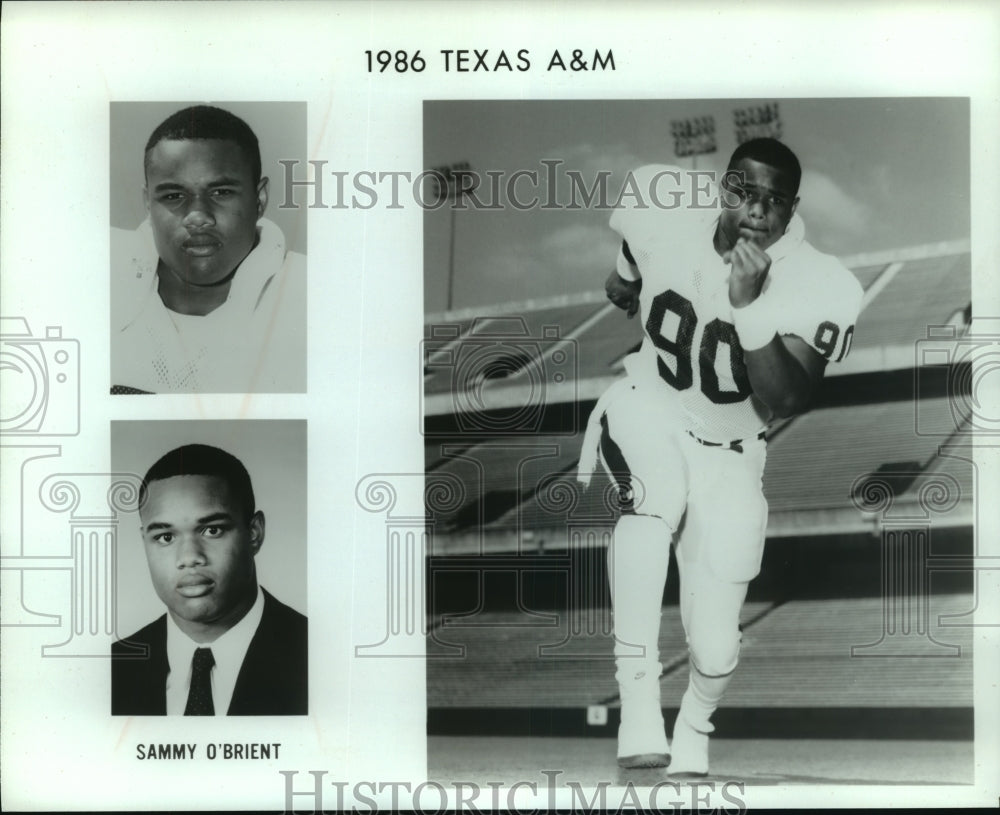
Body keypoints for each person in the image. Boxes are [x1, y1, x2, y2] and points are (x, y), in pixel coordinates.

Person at [578, 138, 863, 773]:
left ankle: (695, 725)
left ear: (790, 210)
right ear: (722, 187)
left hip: (732, 447)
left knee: (715, 648)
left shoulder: (822, 281)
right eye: (744, 191)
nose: (756, 210)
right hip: (651, 401)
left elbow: (788, 395)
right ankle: (639, 702)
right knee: (651, 505)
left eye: (773, 201)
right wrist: (625, 282)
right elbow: (634, 246)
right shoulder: (661, 201)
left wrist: (749, 306)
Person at [110, 105, 305, 394]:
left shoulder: (310, 297)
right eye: (174, 196)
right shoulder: (97, 282)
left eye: (221, 193)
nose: (198, 216)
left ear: (259, 199)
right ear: (147, 203)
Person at [111, 444, 307, 715]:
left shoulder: (319, 655)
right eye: (165, 537)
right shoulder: (110, 669)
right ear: (145, 542)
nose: (190, 557)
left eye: (212, 530)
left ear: (254, 533)